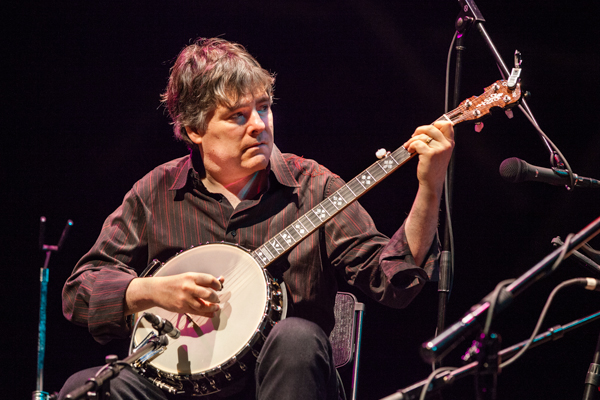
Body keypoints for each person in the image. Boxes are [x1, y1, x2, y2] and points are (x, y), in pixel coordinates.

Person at [58, 37, 454, 400]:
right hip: (179, 386)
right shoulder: (155, 191)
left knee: (296, 338)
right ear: (195, 129)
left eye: (263, 108)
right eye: (237, 116)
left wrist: (430, 187)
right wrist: (151, 291)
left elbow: (392, 280)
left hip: (284, 379)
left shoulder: (313, 186)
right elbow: (80, 291)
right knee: (85, 388)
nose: (260, 126)